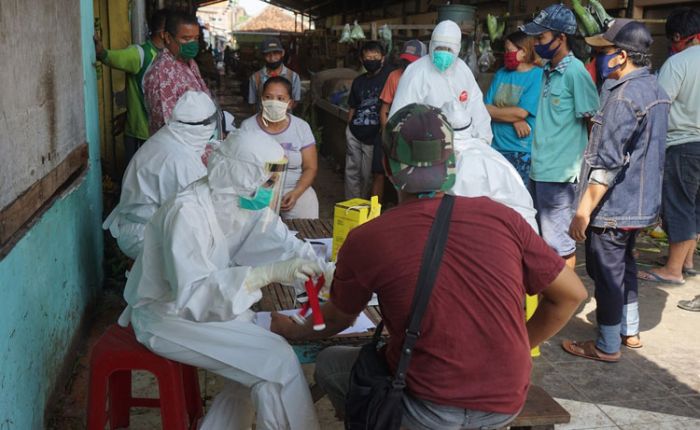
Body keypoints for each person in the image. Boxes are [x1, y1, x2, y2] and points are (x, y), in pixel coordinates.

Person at [271, 104, 587, 429]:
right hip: (505, 399)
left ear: (387, 166)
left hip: (428, 407)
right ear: (450, 163)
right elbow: (570, 294)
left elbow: (337, 318)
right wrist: (520, 346)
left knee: (330, 363)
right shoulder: (502, 217)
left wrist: (290, 329)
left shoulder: (369, 237)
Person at [118, 130, 334, 430]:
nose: (270, 189)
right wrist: (266, 274)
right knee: (277, 361)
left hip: (201, 307)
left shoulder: (242, 202)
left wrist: (325, 272)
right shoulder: (187, 213)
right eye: (267, 179)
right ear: (243, 175)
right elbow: (193, 295)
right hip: (165, 315)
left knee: (252, 365)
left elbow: (283, 244)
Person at [562, 20, 669, 362]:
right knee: (624, 265)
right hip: (639, 205)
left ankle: (607, 345)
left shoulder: (623, 97)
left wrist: (583, 211)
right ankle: (630, 331)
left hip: (613, 207)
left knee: (606, 273)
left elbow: (607, 163)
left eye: (602, 52)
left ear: (621, 56)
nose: (597, 59)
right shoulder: (654, 88)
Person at [390, 20, 538, 231]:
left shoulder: (463, 72)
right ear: (431, 44)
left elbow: (478, 110)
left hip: (467, 148)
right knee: (423, 212)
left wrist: (480, 145)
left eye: (448, 49)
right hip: (425, 157)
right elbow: (399, 119)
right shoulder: (416, 72)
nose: (443, 54)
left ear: (458, 48)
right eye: (439, 48)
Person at [521, 4, 600, 266]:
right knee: (543, 241)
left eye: (541, 38)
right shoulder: (546, 70)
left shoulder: (575, 73)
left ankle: (564, 303)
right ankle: (552, 297)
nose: (536, 43)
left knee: (559, 245)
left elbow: (593, 124)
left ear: (561, 38)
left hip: (560, 175)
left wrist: (587, 175)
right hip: (539, 168)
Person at [102, 91, 217, 260]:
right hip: (145, 234)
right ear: (203, 127)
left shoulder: (170, 137)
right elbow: (198, 211)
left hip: (139, 224)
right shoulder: (180, 160)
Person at [638, 8, 700, 286]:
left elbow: (657, 107)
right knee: (695, 207)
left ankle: (673, 270)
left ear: (678, 36)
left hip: (683, 145)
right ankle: (685, 261)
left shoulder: (678, 63)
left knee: (679, 206)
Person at [94, 9, 170, 163]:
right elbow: (110, 57)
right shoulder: (141, 54)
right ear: (164, 33)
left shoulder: (168, 56)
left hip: (162, 134)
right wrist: (101, 52)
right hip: (141, 134)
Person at [240, 76, 319, 219]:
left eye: (280, 98)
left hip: (294, 188)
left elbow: (310, 167)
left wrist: (296, 193)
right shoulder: (247, 127)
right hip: (257, 190)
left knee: (306, 230)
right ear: (262, 99)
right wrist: (262, 195)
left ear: (290, 103)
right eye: (268, 97)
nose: (273, 102)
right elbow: (240, 166)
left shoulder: (301, 127)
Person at [484, 31, 543, 185]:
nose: (506, 54)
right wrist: (514, 119)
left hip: (522, 151)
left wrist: (514, 115)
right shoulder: (501, 74)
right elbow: (484, 109)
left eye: (509, 50)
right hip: (495, 148)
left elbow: (522, 112)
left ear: (524, 51)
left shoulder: (538, 75)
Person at [374, 39, 426, 201]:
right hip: (396, 135)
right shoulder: (394, 76)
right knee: (383, 173)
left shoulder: (427, 78)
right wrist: (388, 135)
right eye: (405, 60)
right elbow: (384, 110)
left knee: (413, 179)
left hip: (418, 138)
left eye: (412, 61)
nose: (407, 65)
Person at [144, 11, 210, 134]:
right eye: (186, 38)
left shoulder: (189, 62)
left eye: (196, 38)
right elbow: (167, 125)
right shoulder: (162, 73)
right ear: (168, 37)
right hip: (183, 148)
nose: (193, 44)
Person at [345, 40, 393, 199]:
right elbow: (352, 106)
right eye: (368, 57)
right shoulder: (359, 81)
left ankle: (362, 205)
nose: (371, 60)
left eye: (375, 56)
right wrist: (349, 127)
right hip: (355, 132)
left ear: (383, 58)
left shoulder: (389, 79)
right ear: (361, 60)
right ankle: (350, 204)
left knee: (367, 174)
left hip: (374, 136)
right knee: (352, 171)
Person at [248, 37, 301, 109]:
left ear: (282, 53)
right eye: (268, 54)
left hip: (285, 118)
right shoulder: (256, 77)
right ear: (263, 56)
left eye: (276, 53)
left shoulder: (293, 76)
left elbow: (295, 101)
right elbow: (252, 103)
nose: (272, 58)